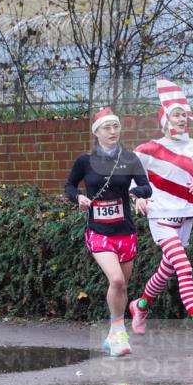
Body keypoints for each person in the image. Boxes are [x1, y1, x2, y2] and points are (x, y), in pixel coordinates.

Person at [130, 79, 193, 345]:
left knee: (166, 270)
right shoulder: (149, 149)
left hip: (185, 215)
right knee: (183, 265)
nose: (182, 119)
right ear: (165, 119)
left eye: (184, 115)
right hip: (160, 216)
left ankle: (141, 305)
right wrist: (136, 196)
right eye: (176, 114)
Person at [65, 107, 152, 356]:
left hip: (125, 230)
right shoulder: (85, 161)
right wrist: (78, 197)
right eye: (107, 127)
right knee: (115, 279)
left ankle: (114, 335)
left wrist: (137, 195)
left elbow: (147, 186)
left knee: (122, 286)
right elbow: (69, 185)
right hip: (98, 230)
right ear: (97, 132)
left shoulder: (129, 158)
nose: (113, 131)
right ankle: (120, 332)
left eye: (116, 126)